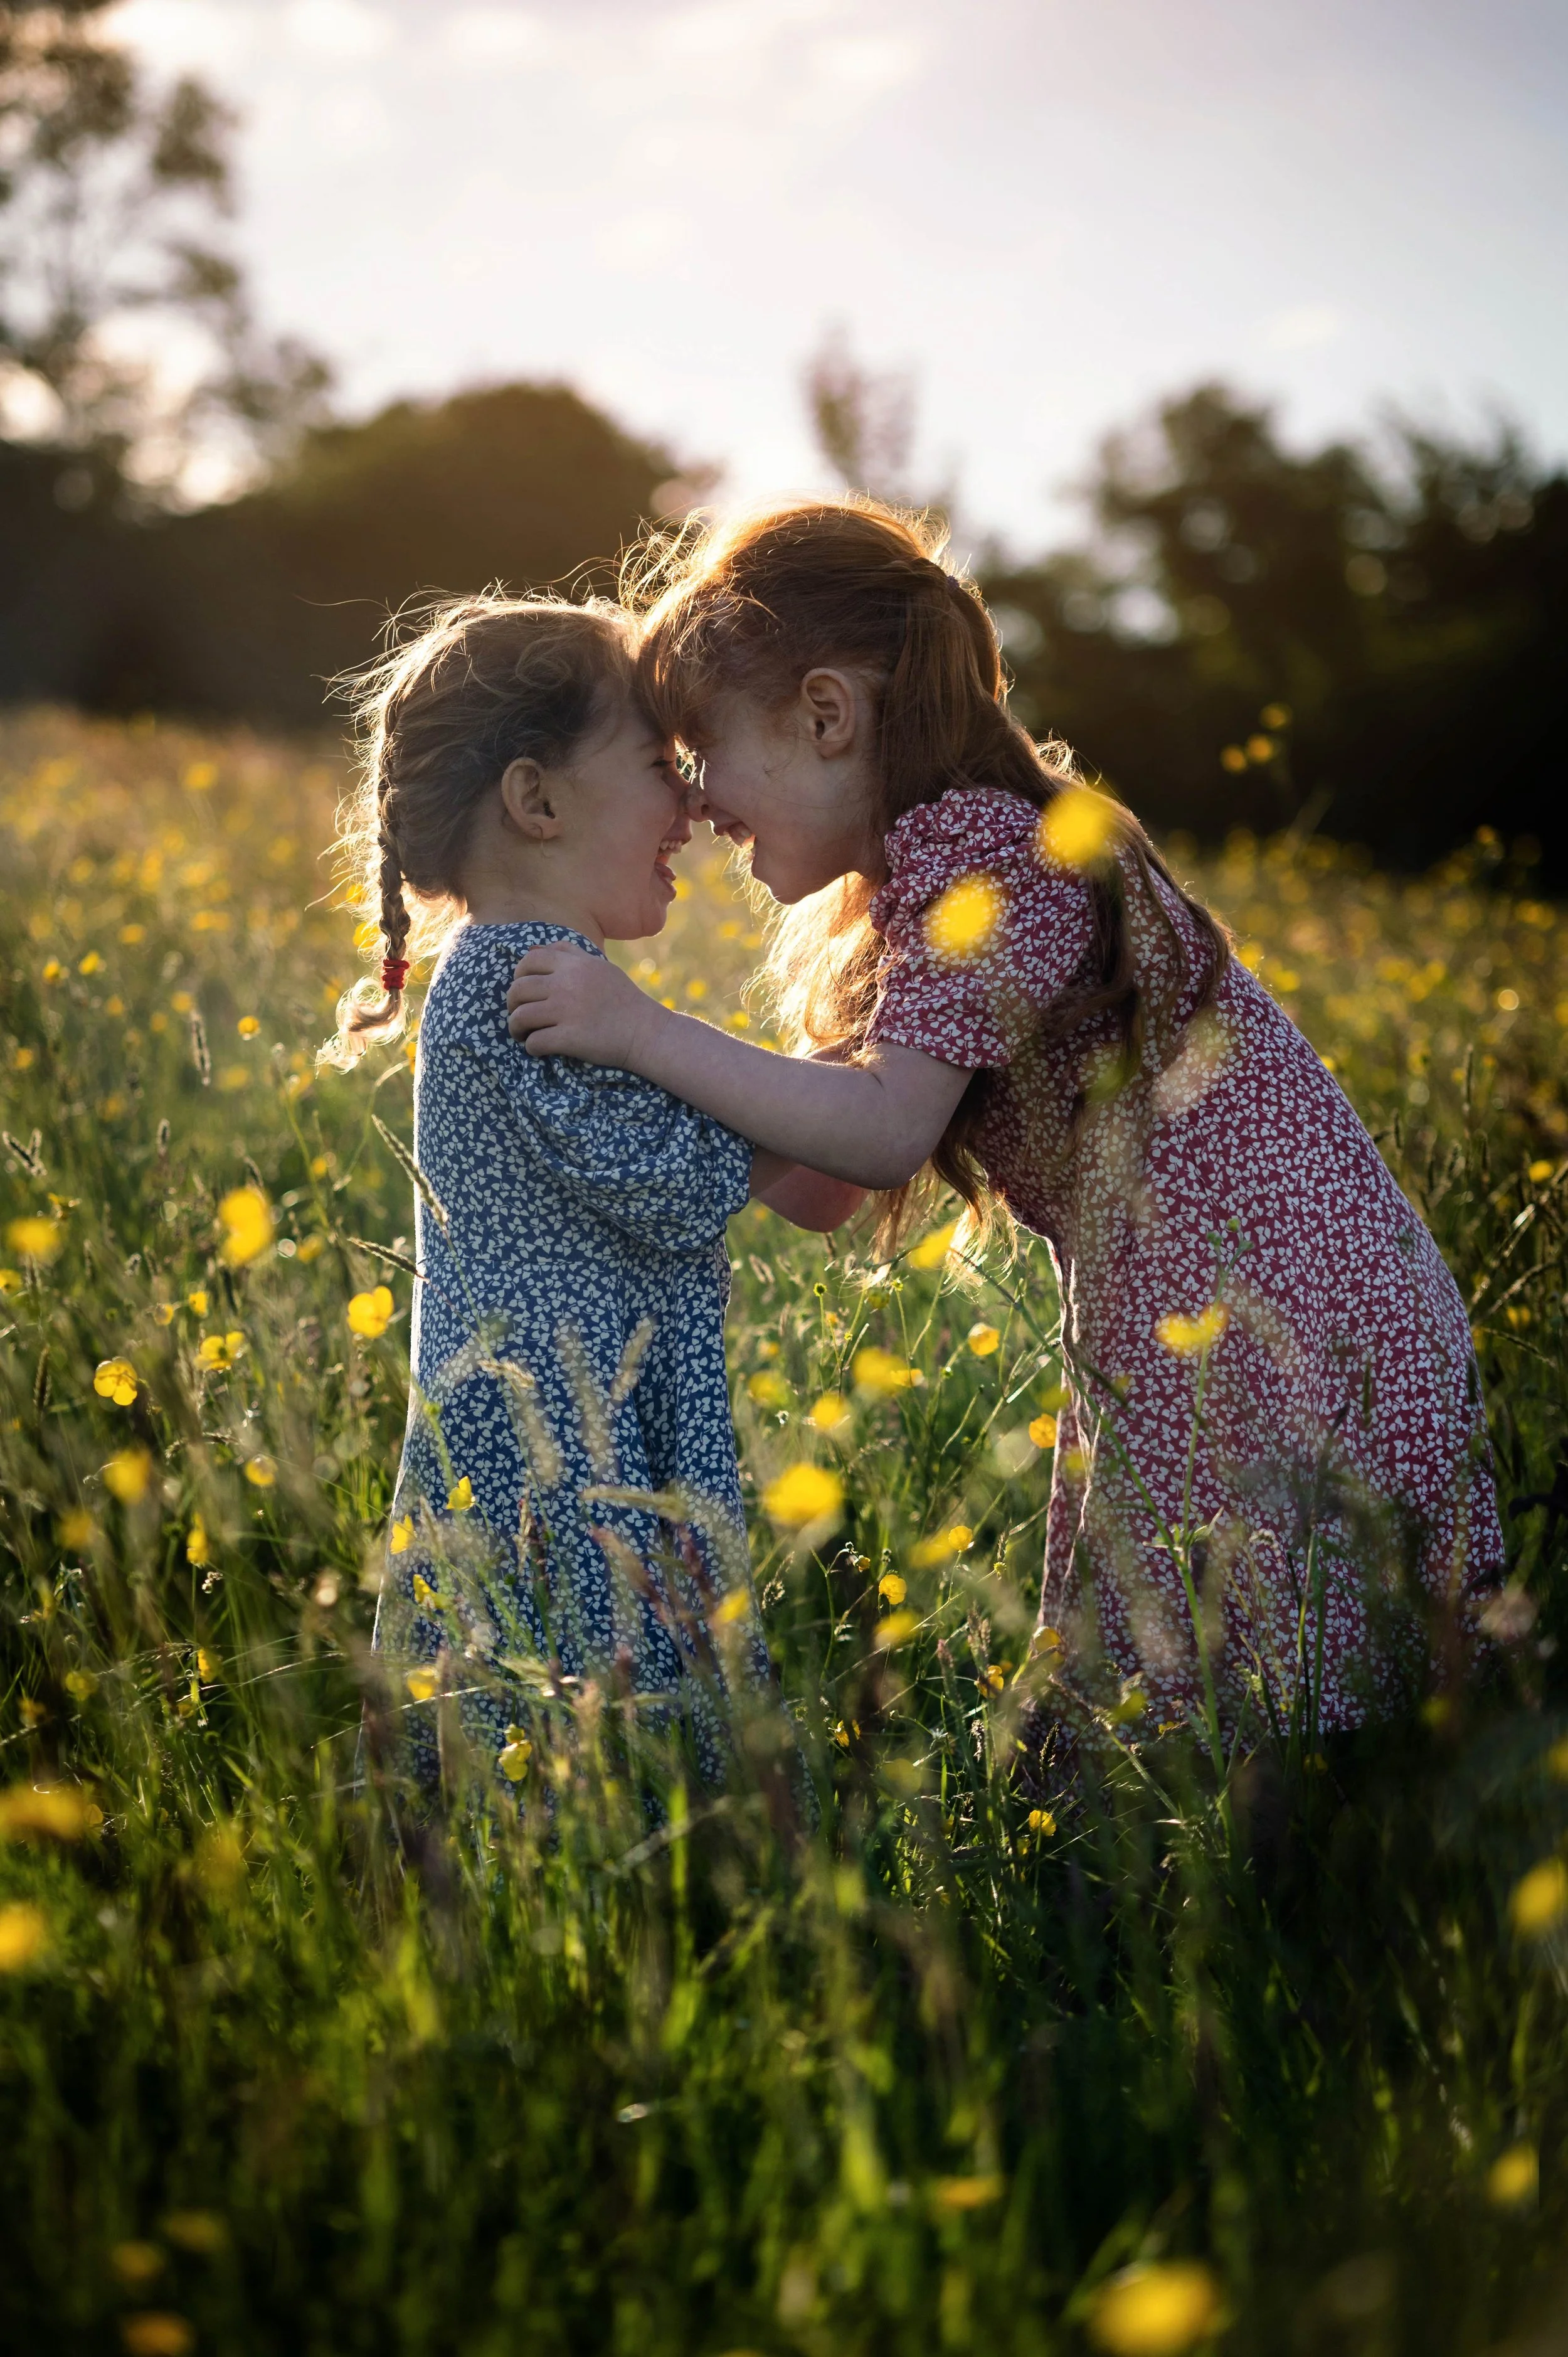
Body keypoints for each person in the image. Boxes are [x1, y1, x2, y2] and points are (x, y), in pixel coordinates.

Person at [504, 501, 1503, 1742]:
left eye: (699, 753)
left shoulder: (988, 855)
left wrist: (641, 1032)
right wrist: (613, 1094)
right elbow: (821, 1182)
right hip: (1226, 1309)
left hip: (1273, 1319)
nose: (697, 807)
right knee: (1187, 1725)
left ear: (825, 715)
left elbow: (869, 1134)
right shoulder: (930, 883)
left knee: (1194, 1737)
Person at [322, 593, 854, 1795]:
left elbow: (794, 1181)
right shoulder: (522, 985)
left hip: (579, 1434)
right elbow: (679, 1183)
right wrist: (863, 1093)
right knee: (566, 1751)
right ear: (538, 800)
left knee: (574, 1747)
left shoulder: (556, 985)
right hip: (550, 1457)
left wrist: (840, 1114)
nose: (694, 809)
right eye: (663, 768)